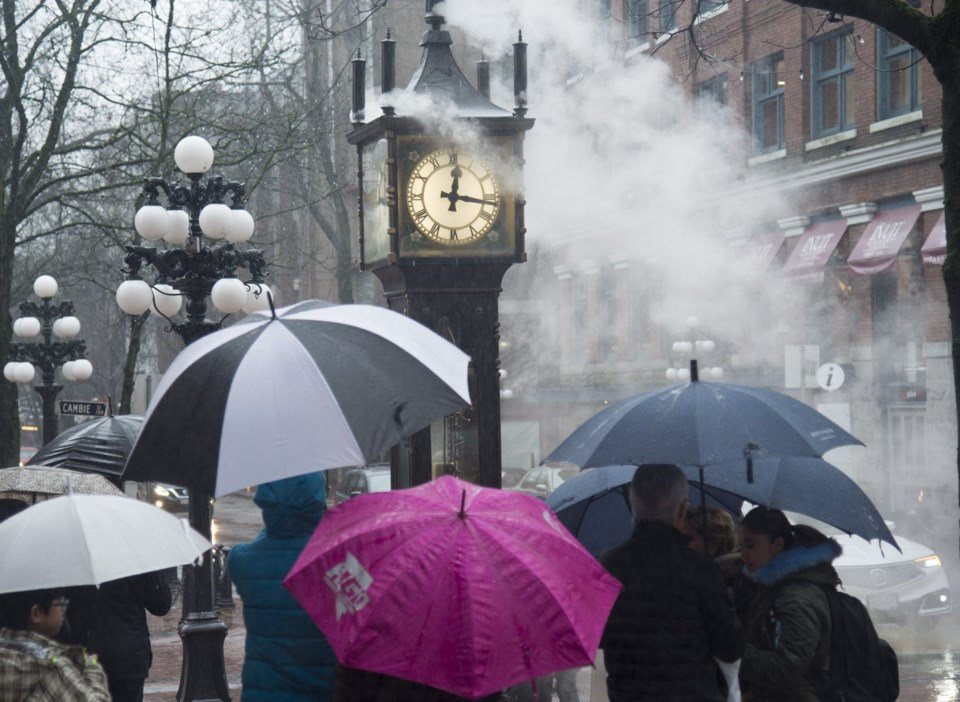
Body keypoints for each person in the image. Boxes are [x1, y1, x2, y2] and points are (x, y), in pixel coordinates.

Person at [600, 464, 744, 701]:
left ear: (633, 505)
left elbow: (600, 637)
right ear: (683, 508)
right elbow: (730, 647)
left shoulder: (609, 564)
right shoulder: (699, 567)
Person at [228, 472, 337, 702]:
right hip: (323, 690)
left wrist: (275, 526)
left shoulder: (243, 561)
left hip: (263, 693)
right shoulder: (336, 559)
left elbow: (269, 545)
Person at [737, 507, 841, 702]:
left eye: (750, 545)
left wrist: (736, 651)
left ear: (777, 545)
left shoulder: (796, 597)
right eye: (740, 546)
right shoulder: (770, 586)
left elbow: (788, 669)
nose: (743, 554)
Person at [63, 570, 172, 702]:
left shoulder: (72, 564)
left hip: (86, 654)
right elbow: (161, 604)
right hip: (127, 657)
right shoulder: (133, 561)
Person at [0, 587, 110, 701]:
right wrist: (91, 666)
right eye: (61, 603)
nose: (63, 610)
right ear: (37, 613)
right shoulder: (52, 667)